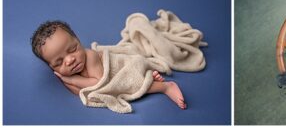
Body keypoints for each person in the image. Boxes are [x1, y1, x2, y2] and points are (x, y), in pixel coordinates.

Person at [32, 20, 186, 109]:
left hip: (122, 67)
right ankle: (149, 76)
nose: (70, 60)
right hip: (112, 77)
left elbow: (99, 83)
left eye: (73, 49)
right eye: (59, 62)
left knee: (132, 84)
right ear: (52, 67)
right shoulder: (66, 73)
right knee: (127, 85)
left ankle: (166, 86)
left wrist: (72, 80)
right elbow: (81, 92)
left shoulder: (90, 57)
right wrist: (70, 82)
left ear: (78, 41)